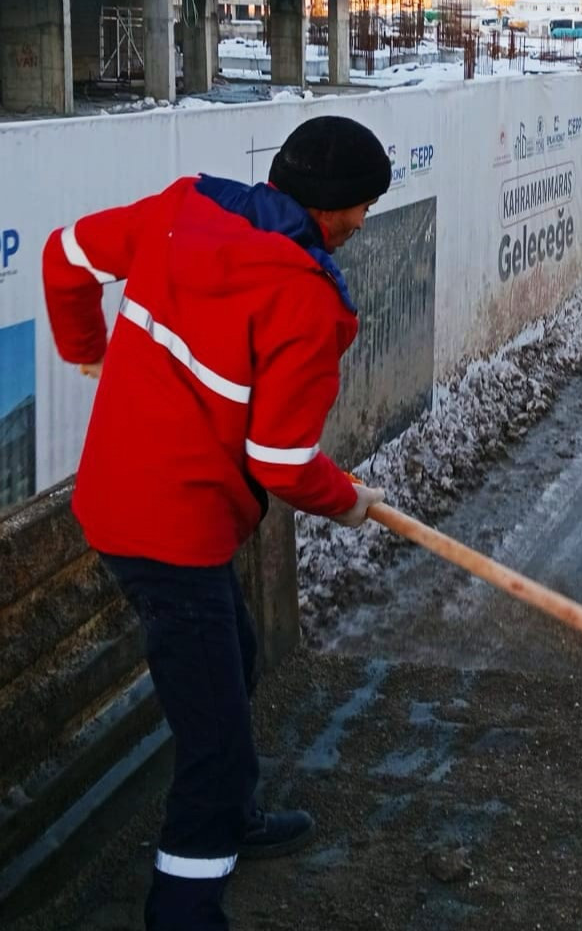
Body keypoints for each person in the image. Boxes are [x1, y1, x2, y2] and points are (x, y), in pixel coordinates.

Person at [41, 115, 390, 931]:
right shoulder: (308, 303)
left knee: (235, 654)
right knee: (213, 743)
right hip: (172, 533)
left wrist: (85, 348)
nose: (366, 221)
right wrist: (349, 501)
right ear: (336, 210)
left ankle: (234, 819)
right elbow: (278, 459)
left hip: (119, 498)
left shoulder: (183, 207)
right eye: (364, 207)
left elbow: (62, 258)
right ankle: (185, 909)